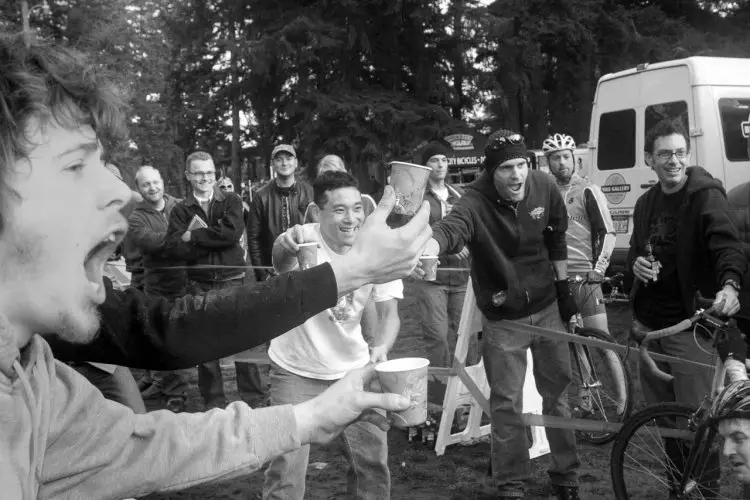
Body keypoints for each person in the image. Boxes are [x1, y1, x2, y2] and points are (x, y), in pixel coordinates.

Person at [0, 33, 433, 500]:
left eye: (106, 164)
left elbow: (146, 441)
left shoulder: (36, 376)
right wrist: (355, 270)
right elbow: (175, 283)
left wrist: (311, 418)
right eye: (74, 166)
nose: (122, 193)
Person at [420, 129, 581, 500]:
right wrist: (432, 242)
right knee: (507, 404)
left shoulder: (543, 185)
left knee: (557, 394)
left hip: (547, 308)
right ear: (491, 171)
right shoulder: (475, 201)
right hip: (503, 317)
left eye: (521, 165)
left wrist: (564, 288)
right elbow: (454, 227)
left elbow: (556, 236)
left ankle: (566, 475)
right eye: (507, 168)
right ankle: (512, 485)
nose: (516, 175)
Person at [263, 171, 403, 499]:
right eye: (339, 210)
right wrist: (283, 244)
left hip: (355, 370)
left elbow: (389, 315)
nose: (351, 218)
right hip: (295, 369)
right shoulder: (304, 239)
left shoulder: (378, 249)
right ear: (317, 212)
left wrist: (381, 347)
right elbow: (280, 263)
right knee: (286, 464)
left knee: (372, 462)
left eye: (357, 208)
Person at [628, 119, 746, 495]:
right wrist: (637, 263)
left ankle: (703, 493)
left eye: (679, 152)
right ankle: (677, 489)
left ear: (687, 155)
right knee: (667, 425)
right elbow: (635, 248)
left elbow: (726, 245)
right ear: (650, 159)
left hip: (689, 328)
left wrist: (730, 283)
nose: (673, 160)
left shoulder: (706, 196)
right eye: (664, 154)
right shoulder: (646, 202)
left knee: (697, 425)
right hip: (649, 328)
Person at [166, 151, 259, 409]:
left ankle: (254, 397)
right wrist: (211, 239)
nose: (205, 178)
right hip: (199, 282)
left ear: (215, 173)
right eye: (198, 173)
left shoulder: (232, 201)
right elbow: (176, 248)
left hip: (233, 278)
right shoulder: (180, 210)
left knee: (244, 338)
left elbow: (231, 234)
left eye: (209, 172)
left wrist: (193, 237)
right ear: (188, 176)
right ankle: (214, 401)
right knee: (206, 345)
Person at [411, 140, 475, 404]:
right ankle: (439, 403)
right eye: (433, 160)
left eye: (443, 160)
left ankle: (470, 399)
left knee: (467, 337)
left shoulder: (460, 194)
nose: (439, 165)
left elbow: (472, 225)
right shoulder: (417, 198)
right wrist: (448, 248)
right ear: (425, 167)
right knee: (437, 338)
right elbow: (414, 233)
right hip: (431, 277)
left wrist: (468, 244)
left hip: (461, 277)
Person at [127, 165, 190, 405]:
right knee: (164, 337)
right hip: (158, 287)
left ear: (162, 181)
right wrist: (181, 238)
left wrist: (186, 238)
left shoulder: (180, 205)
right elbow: (150, 242)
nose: (152, 188)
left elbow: (198, 233)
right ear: (139, 189)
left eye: (155, 182)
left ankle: (166, 382)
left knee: (184, 337)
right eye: (146, 184)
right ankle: (175, 392)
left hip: (186, 282)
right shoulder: (136, 217)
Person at [542, 133, 616, 332]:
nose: (562, 162)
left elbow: (608, 233)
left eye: (566, 156)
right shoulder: (545, 194)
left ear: (575, 159)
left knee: (603, 344)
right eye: (555, 158)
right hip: (556, 280)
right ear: (548, 163)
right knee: (566, 345)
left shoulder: (588, 190)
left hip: (585, 277)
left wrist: (599, 269)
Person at [248, 144, 314, 282]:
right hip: (272, 272)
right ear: (272, 164)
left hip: (305, 269)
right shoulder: (261, 197)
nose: (284, 163)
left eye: (289, 158)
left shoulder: (310, 193)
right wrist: (262, 275)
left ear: (296, 162)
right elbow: (254, 239)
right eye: (279, 159)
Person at [302, 154, 377, 223]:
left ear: (345, 175)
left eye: (337, 177)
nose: (333, 182)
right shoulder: (313, 207)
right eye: (326, 179)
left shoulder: (366, 202)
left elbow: (378, 231)